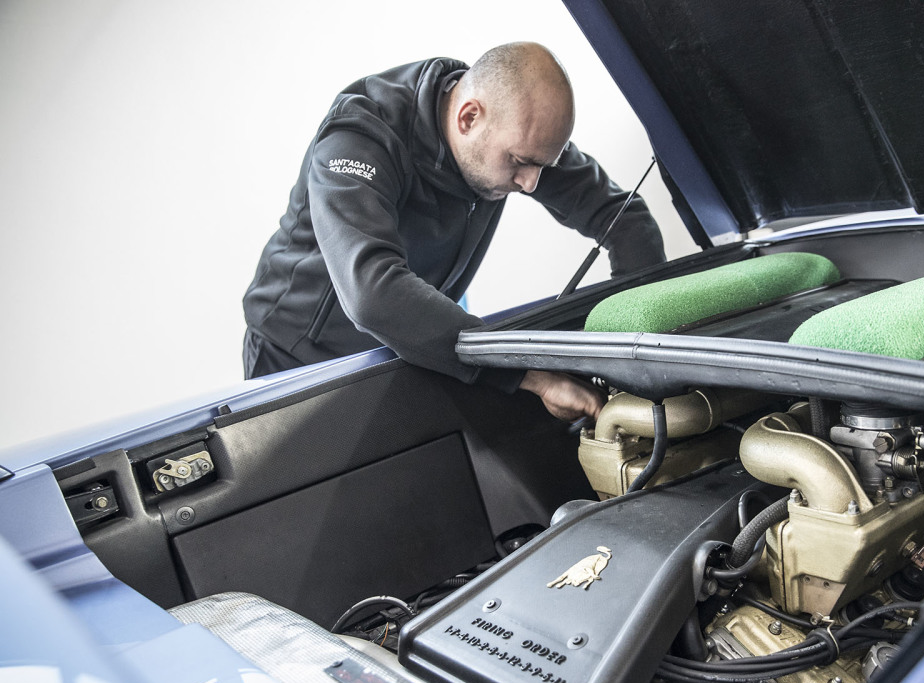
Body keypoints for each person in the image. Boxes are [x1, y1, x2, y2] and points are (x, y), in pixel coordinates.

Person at [242, 42, 665, 421]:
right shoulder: (362, 132)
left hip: (410, 345)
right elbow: (373, 294)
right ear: (468, 118)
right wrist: (530, 373)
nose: (531, 182)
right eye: (519, 163)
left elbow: (626, 219)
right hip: (298, 360)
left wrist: (627, 353)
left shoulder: (520, 138)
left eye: (542, 166)